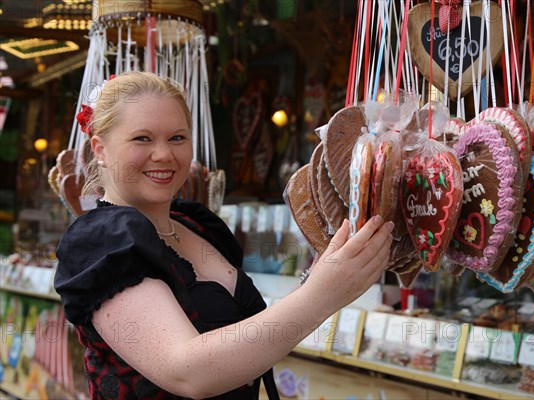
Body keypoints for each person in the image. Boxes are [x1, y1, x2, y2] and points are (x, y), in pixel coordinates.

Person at [54, 71, 394, 400]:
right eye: (142, 138)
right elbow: (187, 372)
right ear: (100, 148)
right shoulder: (100, 243)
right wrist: (322, 295)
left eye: (177, 137)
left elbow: (247, 337)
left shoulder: (197, 224)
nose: (164, 154)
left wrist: (322, 273)